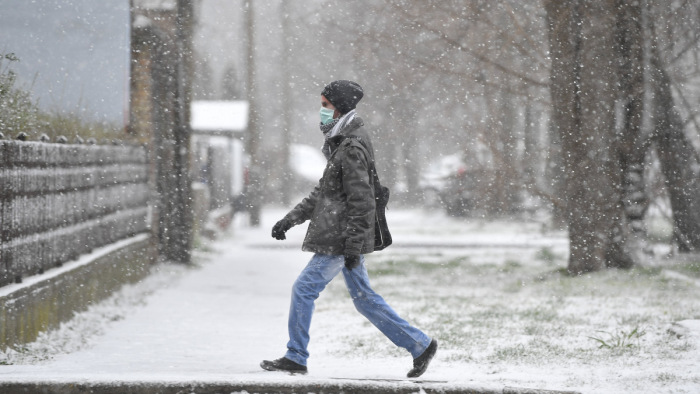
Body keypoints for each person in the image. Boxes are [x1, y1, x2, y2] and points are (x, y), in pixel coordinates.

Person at [260, 80, 437, 378]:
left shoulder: (351, 146)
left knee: (303, 290)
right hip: (344, 235)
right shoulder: (342, 141)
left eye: (326, 105)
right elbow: (324, 192)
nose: (322, 111)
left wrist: (353, 246)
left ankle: (296, 356)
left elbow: (362, 201)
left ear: (339, 107)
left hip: (341, 238)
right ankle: (420, 345)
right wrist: (290, 219)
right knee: (364, 299)